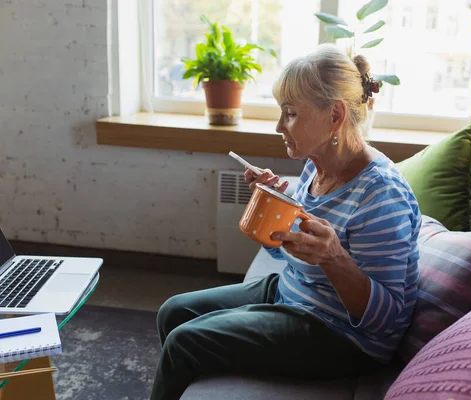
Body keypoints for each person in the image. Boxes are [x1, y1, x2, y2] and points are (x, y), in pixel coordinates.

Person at [150, 44, 421, 400]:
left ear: (335, 116)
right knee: (174, 312)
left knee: (183, 343)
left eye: (290, 114)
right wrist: (272, 206)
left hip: (341, 335)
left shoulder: (382, 196)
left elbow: (383, 322)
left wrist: (334, 258)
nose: (279, 126)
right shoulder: (316, 165)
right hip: (296, 294)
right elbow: (286, 255)